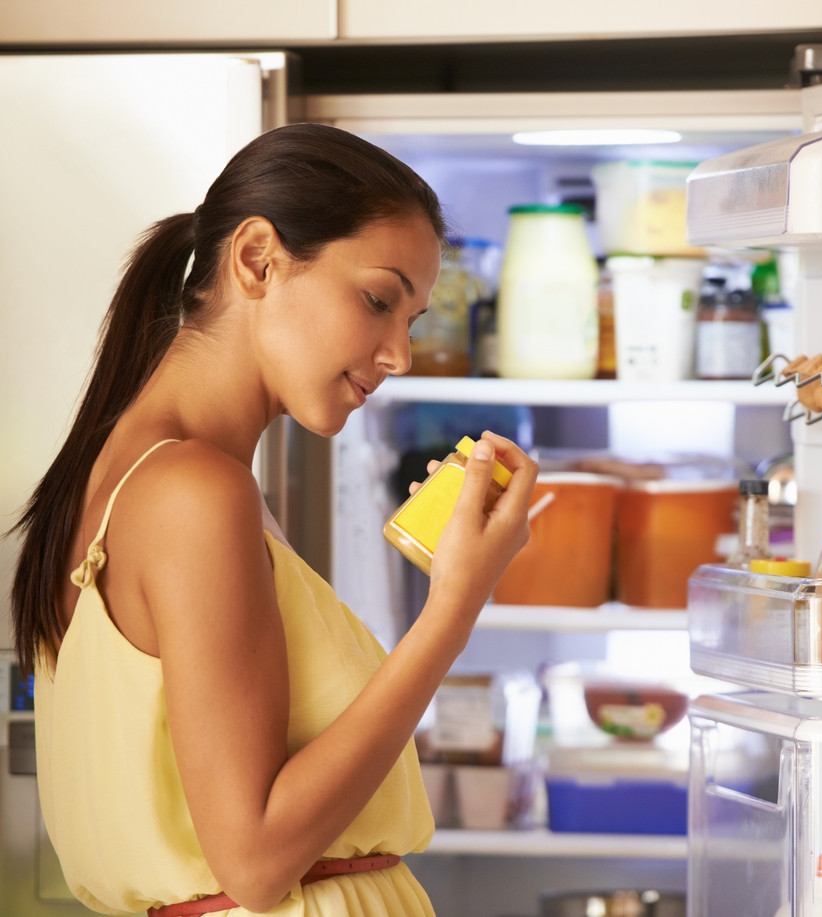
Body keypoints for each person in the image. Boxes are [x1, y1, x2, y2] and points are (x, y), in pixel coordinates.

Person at [9, 122, 537, 917]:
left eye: (413, 319)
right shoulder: (193, 492)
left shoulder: (153, 477)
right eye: (377, 299)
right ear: (257, 259)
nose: (399, 353)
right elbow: (255, 860)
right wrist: (454, 607)